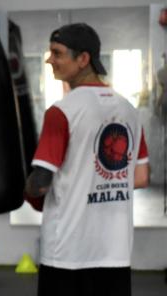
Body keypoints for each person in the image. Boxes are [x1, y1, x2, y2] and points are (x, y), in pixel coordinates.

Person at [24, 23, 150, 296]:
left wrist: (24, 189)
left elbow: (41, 183)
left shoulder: (61, 111)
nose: (49, 60)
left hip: (66, 252)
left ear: (83, 59)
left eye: (57, 53)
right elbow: (140, 177)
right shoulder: (128, 109)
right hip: (115, 252)